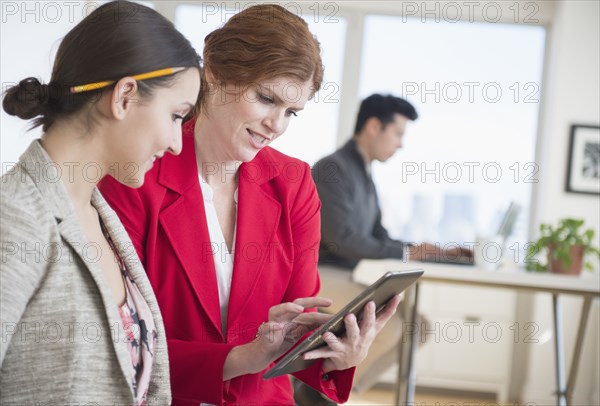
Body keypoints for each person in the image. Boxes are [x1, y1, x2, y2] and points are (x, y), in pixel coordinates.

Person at [98, 4, 402, 405]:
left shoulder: (294, 184)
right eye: (265, 98)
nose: (277, 125)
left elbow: (296, 328)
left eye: (291, 112)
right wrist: (239, 358)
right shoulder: (135, 176)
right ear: (216, 74)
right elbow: (122, 343)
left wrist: (336, 355)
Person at [0, 1, 201, 404]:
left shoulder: (100, 216)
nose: (178, 144)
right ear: (125, 95)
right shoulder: (16, 216)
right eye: (177, 116)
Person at [310, 94, 472, 395]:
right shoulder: (332, 168)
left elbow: (378, 236)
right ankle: (320, 392)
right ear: (374, 126)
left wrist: (432, 251)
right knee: (395, 326)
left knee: (417, 327)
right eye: (398, 133)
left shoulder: (364, 175)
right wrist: (409, 252)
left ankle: (336, 392)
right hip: (319, 275)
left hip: (344, 275)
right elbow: (342, 239)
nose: (400, 144)